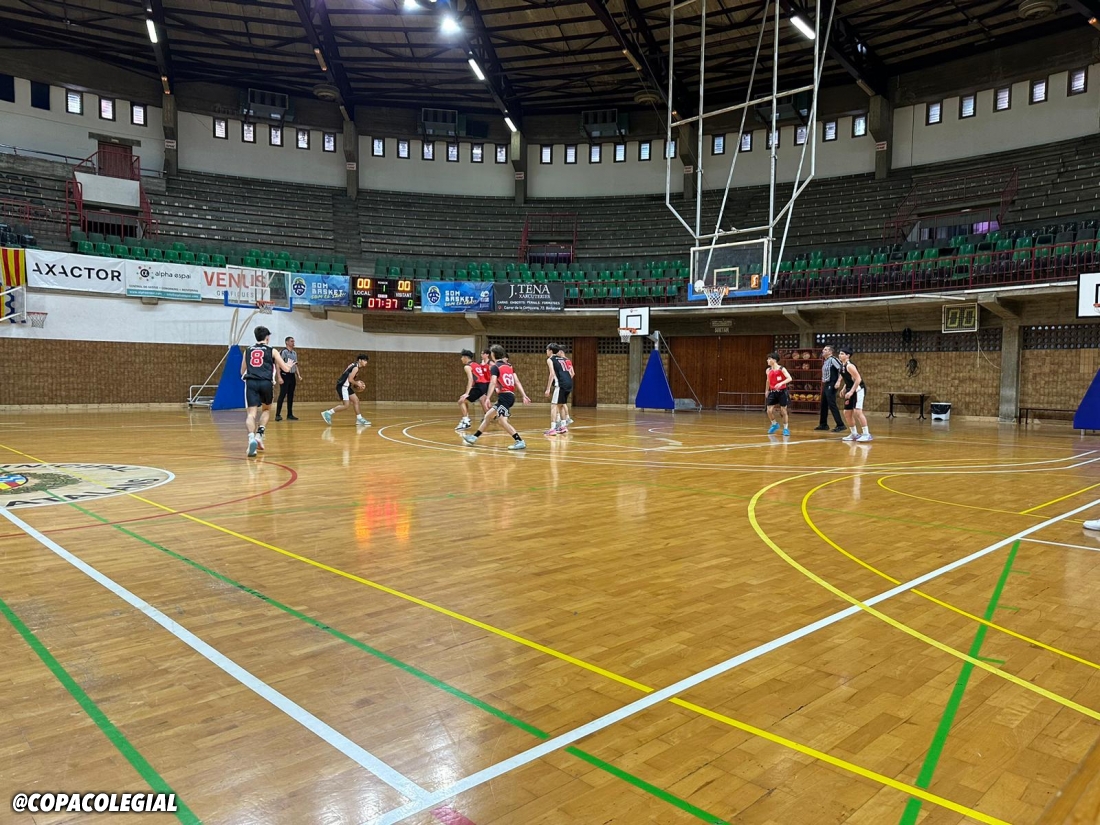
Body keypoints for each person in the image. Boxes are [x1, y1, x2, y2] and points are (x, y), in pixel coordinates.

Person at [462, 344, 531, 450]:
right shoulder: (509, 366)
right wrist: (524, 395)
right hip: (509, 395)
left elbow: (493, 382)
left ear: (493, 354)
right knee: (488, 416)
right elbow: (516, 381)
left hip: (505, 397)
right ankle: (474, 438)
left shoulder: (495, 367)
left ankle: (520, 441)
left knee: (502, 421)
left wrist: (488, 397)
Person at [241, 326, 296, 457]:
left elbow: (242, 371)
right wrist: (289, 365)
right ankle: (259, 435)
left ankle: (250, 438)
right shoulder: (272, 351)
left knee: (251, 414)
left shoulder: (247, 351)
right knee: (266, 410)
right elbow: (286, 369)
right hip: (266, 383)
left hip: (251, 382)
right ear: (267, 338)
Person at [322, 354, 371, 426]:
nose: (366, 362)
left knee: (356, 400)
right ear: (360, 360)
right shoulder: (356, 368)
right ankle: (328, 412)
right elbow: (350, 379)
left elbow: (349, 378)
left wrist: (355, 383)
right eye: (364, 360)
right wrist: (357, 384)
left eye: (366, 361)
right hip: (343, 386)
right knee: (346, 405)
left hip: (346, 386)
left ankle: (359, 419)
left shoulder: (354, 365)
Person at [836, 346, 872, 442]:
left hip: (858, 390)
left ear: (848, 356)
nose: (840, 355)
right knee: (847, 413)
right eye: (839, 353)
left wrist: (851, 391)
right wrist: (844, 388)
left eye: (842, 354)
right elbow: (849, 379)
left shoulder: (849, 366)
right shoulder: (842, 366)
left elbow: (858, 379)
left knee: (857, 412)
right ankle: (854, 434)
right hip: (850, 389)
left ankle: (866, 434)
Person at [456, 349, 492, 431]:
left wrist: (467, 393)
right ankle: (492, 415)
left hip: (479, 386)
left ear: (465, 357)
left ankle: (466, 421)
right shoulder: (475, 364)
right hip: (485, 385)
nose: (461, 359)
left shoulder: (467, 367)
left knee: (461, 401)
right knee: (468, 401)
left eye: (462, 357)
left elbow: (471, 379)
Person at [543, 343, 574, 435]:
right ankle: (563, 426)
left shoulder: (550, 359)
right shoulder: (564, 359)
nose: (546, 351)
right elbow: (570, 372)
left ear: (551, 351)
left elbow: (552, 374)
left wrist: (548, 388)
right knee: (561, 405)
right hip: (568, 383)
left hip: (560, 384)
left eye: (547, 350)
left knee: (554, 406)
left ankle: (552, 428)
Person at [815, 344, 846, 432]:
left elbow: (842, 370)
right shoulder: (826, 361)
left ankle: (840, 424)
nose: (823, 351)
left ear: (830, 352)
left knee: (832, 404)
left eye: (825, 350)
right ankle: (823, 424)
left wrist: (838, 381)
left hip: (832, 383)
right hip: (826, 383)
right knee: (823, 404)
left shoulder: (833, 360)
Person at [275, 336, 303, 421]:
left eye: (294, 341)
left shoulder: (294, 353)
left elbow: (295, 365)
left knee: (291, 395)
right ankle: (277, 414)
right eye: (291, 341)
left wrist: (298, 375)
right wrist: (279, 377)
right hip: (284, 375)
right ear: (287, 342)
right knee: (282, 395)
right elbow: (278, 365)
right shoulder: (283, 352)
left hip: (291, 376)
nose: (293, 343)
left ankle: (290, 414)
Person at [765, 352, 793, 437]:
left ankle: (785, 428)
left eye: (769, 359)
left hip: (782, 392)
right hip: (773, 392)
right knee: (769, 410)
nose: (767, 360)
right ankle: (774, 424)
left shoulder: (782, 369)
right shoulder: (768, 370)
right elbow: (768, 381)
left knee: (783, 411)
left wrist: (781, 383)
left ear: (774, 360)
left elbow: (789, 378)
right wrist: (767, 390)